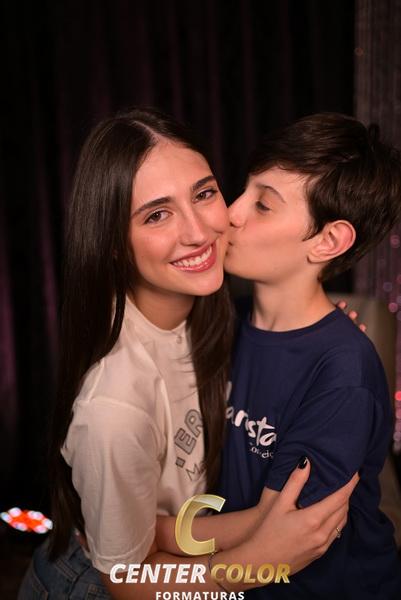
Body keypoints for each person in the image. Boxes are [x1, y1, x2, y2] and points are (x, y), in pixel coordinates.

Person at [18, 108, 357, 600]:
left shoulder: (210, 308)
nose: (199, 231)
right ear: (113, 243)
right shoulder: (114, 407)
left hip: (178, 552)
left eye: (203, 194)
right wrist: (261, 561)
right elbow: (126, 582)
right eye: (157, 215)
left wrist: (328, 345)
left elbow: (165, 524)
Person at [214, 113, 401, 598]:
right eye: (243, 191)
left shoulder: (343, 372)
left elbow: (276, 533)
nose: (230, 212)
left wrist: (145, 538)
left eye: (263, 205)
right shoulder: (224, 323)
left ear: (327, 241)